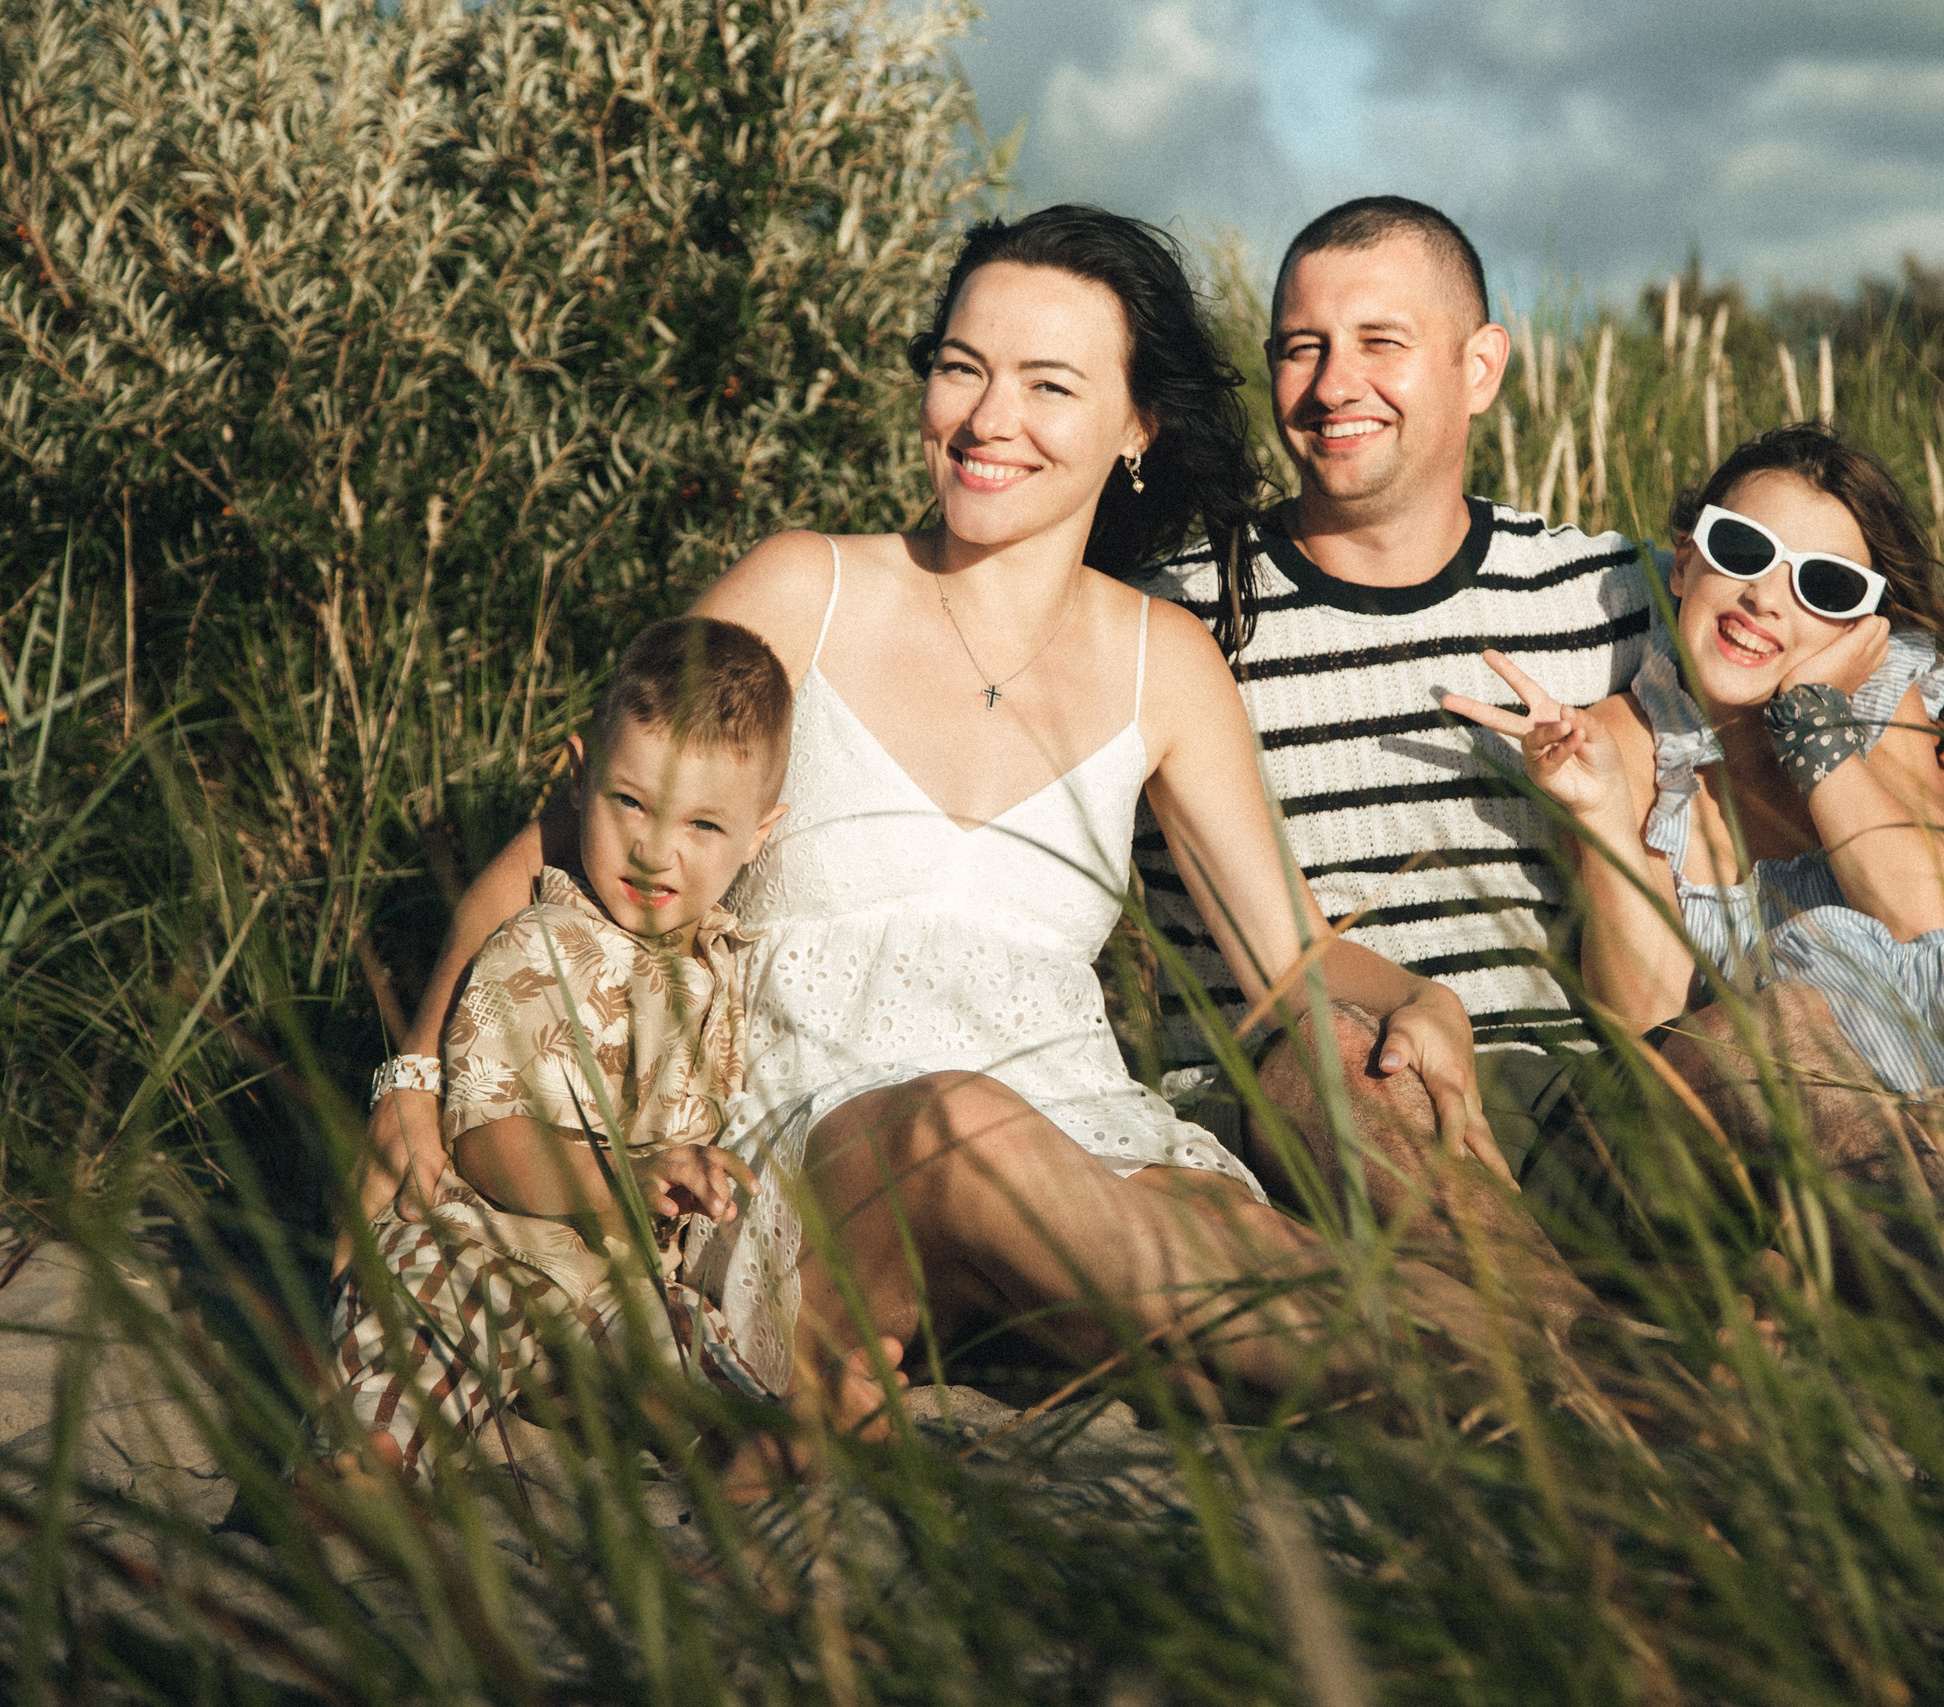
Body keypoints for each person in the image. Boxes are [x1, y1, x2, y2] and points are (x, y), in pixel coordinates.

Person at [359, 205, 1556, 1420]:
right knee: (962, 1129)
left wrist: (1415, 997)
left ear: (1137, 425)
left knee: (1217, 1198)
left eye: (1049, 385)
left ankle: (1570, 1373)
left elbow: (1282, 956)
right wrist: (409, 1072)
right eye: (960, 370)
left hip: (1083, 1138)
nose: (990, 421)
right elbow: (564, 840)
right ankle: (1477, 1373)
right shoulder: (806, 587)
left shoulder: (1163, 656)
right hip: (819, 1151)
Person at [1133, 196, 1944, 1254]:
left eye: (1380, 343)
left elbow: (1842, 642)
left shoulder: (1611, 588)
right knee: (1337, 1063)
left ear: (1479, 368)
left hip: (1578, 1103)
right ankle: (1578, 1372)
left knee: (1790, 1038)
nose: (1335, 384)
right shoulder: (1175, 616)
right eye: (1303, 348)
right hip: (1312, 1113)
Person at [1445, 423, 1944, 1193]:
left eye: (1823, 586)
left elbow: (1926, 922)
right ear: (1686, 561)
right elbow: (1647, 1016)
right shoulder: (1622, 744)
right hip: (1822, 1146)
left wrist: (1812, 722)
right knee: (1818, 946)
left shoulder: (1876, 701)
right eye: (1743, 549)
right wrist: (1597, 817)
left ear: (1861, 626)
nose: (1766, 597)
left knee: (1916, 955)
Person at [330, 618, 809, 1475]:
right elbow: (488, 1138)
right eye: (630, 802)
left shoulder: (720, 971)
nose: (656, 849)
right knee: (415, 1304)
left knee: (695, 1345)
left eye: (704, 826)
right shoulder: (543, 942)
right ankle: (375, 1457)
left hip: (617, 1288)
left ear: (761, 834)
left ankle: (764, 1432)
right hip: (490, 1248)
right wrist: (622, 1174)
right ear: (579, 776)